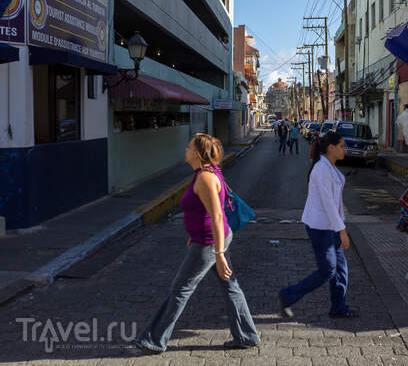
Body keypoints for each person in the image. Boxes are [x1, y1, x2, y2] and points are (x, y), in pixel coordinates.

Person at [133, 133, 260, 353]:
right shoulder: (205, 173)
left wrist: (219, 253)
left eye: (189, 147)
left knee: (180, 289)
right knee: (230, 286)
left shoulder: (205, 178)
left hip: (209, 243)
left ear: (197, 153)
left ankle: (154, 340)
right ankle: (247, 335)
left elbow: (218, 216)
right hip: (208, 240)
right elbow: (203, 211)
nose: (185, 149)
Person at [278, 131, 358, 318]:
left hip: (331, 226)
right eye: (342, 146)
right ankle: (288, 295)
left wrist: (339, 228)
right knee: (328, 270)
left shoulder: (330, 167)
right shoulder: (321, 170)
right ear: (331, 148)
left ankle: (339, 307)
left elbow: (335, 203)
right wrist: (342, 230)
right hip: (320, 227)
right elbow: (328, 203)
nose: (345, 149)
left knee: (340, 269)